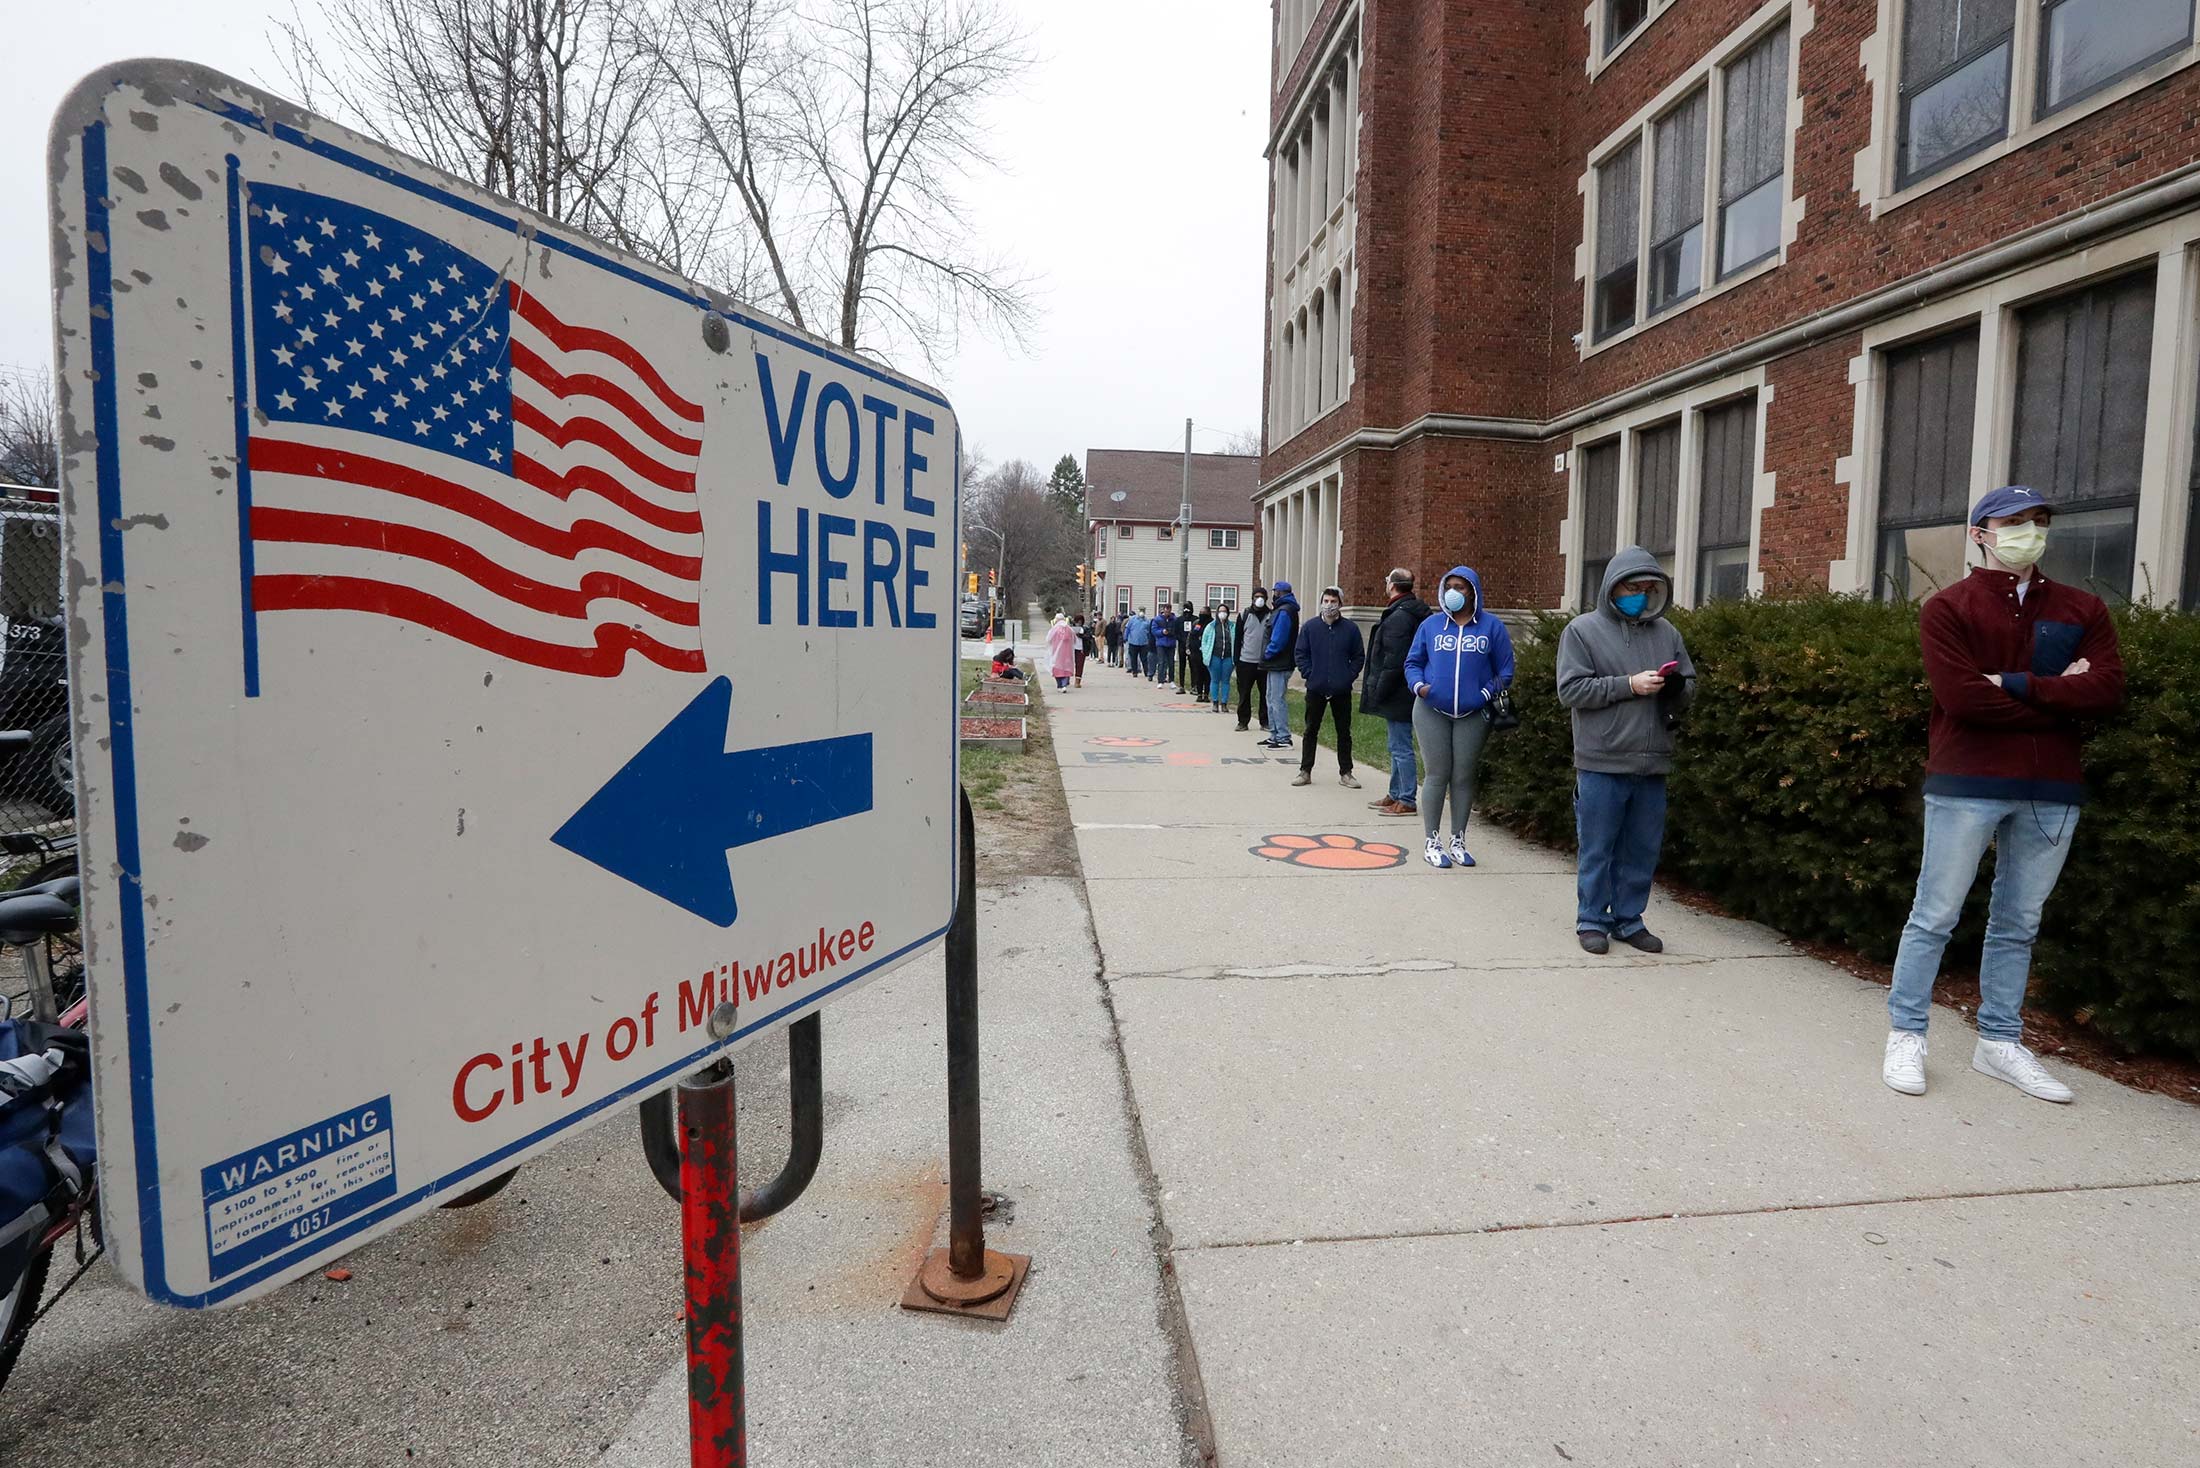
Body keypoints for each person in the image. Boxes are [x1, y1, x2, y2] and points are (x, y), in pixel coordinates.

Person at [1880, 486, 2124, 1104]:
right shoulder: (1948, 610)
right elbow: (1963, 700)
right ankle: (1907, 1032)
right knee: (1934, 915)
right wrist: (2056, 697)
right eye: (2014, 521)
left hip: (2052, 789)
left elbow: (2106, 692)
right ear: (1980, 533)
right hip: (1967, 782)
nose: (2030, 531)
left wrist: (2015, 685)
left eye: (2039, 521)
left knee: (2019, 922)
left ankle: (2000, 1041)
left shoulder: (2082, 609)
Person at [1556, 547, 1696, 955]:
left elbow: (1689, 685)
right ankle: (1592, 919)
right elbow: (1571, 690)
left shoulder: (1667, 634)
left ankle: (1628, 919)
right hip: (1602, 760)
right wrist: (1628, 685)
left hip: (1652, 762)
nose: (1640, 593)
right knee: (1598, 846)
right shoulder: (1582, 632)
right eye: (1632, 587)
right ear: (1612, 588)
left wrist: (1676, 688)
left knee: (1641, 848)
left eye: (1648, 587)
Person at [1404, 566, 1515, 869]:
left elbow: (1505, 671)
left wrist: (1484, 695)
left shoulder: (1491, 627)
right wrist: (1420, 687)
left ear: (1473, 591)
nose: (1454, 592)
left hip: (1473, 712)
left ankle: (1458, 839)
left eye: (1461, 587)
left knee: (1463, 775)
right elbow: (1412, 662)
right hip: (1431, 711)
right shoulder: (1431, 625)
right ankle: (1432, 840)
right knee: (1437, 774)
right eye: (1449, 586)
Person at [1360, 568, 1431, 818]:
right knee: (1395, 744)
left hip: (1399, 691)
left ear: (1393, 585)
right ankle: (1395, 792)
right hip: (1402, 689)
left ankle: (1407, 798)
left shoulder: (1400, 616)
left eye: (1387, 579)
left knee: (1401, 746)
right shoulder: (1404, 611)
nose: (1385, 583)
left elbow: (1393, 659)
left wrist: (1379, 689)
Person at [1292, 587, 1365, 788]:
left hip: (1341, 690)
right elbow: (1301, 653)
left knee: (1343, 732)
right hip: (1316, 688)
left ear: (1340, 604)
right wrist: (1309, 673)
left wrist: (1348, 676)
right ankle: (1305, 771)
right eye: (1325, 600)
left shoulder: (1350, 629)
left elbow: (1359, 656)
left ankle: (1346, 773)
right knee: (1310, 730)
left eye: (1333, 601)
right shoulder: (1310, 627)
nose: (1329, 604)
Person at [1258, 581, 1301, 748]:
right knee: (1270, 698)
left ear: (1280, 593)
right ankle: (1274, 734)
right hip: (1275, 663)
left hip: (1279, 662)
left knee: (1277, 699)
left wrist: (1267, 654)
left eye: (1275, 591)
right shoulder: (1282, 609)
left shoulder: (1284, 611)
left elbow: (1279, 639)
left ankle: (1283, 736)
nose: (1273, 595)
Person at [1236, 587, 1271, 731]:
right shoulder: (1244, 614)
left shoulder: (1271, 615)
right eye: (1256, 596)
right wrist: (1236, 660)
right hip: (1246, 661)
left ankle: (1265, 721)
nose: (1259, 599)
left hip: (1264, 662)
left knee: (1265, 694)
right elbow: (1237, 638)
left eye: (1262, 596)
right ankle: (1243, 721)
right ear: (1252, 598)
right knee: (1244, 693)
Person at [1202, 605, 1237, 714]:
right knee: (1215, 680)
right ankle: (1215, 702)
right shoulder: (1211, 626)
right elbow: (1204, 641)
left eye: (1225, 611)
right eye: (1220, 611)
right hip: (1214, 657)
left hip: (1228, 657)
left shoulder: (1232, 626)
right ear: (1217, 613)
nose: (1223, 613)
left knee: (1226, 681)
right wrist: (1206, 654)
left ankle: (1224, 703)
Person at [1046, 613, 1077, 691]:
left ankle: (1059, 685)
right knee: (1066, 668)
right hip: (1068, 653)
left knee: (1057, 668)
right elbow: (1075, 640)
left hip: (1056, 653)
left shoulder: (1054, 629)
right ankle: (1064, 685)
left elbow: (1048, 639)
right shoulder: (1069, 629)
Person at [1190, 607, 1214, 702]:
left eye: (1204, 613)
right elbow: (1192, 636)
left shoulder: (1212, 624)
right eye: (1200, 612)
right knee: (1198, 674)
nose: (1202, 614)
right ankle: (1199, 693)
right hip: (1197, 653)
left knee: (1207, 675)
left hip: (1208, 653)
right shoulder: (1197, 623)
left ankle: (1206, 694)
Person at [1151, 603, 1176, 684]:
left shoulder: (1174, 619)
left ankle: (1171, 680)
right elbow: (1154, 631)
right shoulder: (1157, 619)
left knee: (1171, 663)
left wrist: (1172, 632)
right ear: (1163, 610)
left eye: (1168, 612)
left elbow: (1177, 630)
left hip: (1171, 643)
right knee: (1161, 662)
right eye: (1166, 612)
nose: (1167, 614)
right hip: (1161, 643)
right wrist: (1162, 632)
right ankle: (1160, 680)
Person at [1125, 607, 1152, 678]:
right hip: (1133, 642)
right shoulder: (1132, 619)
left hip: (1144, 643)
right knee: (1133, 658)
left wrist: (1149, 641)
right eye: (1141, 611)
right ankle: (1134, 672)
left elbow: (1149, 632)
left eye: (1143, 611)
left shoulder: (1147, 621)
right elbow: (1127, 629)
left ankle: (1146, 672)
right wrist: (1125, 637)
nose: (1142, 612)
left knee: (1144, 658)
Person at [1073, 613, 1095, 687]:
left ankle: (1077, 681)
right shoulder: (1071, 629)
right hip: (1072, 649)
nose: (1078, 623)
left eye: (1080, 621)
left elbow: (1089, 637)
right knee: (1070, 664)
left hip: (1081, 649)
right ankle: (1066, 680)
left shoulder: (1085, 629)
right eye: (1077, 621)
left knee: (1080, 665)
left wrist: (1081, 635)